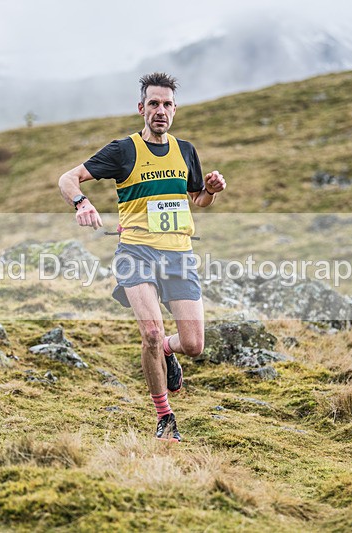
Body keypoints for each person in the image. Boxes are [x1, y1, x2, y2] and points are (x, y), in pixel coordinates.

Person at [58, 72, 226, 442]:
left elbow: (197, 199)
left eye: (167, 104)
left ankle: (169, 349)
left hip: (179, 256)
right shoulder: (123, 151)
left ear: (175, 110)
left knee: (194, 345)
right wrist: (81, 202)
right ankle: (164, 415)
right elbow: (67, 178)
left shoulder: (186, 151)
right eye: (153, 104)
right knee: (149, 332)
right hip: (136, 253)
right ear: (141, 108)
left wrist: (210, 191)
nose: (160, 111)